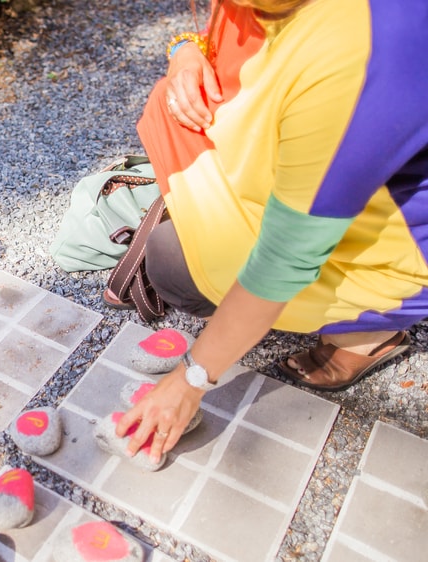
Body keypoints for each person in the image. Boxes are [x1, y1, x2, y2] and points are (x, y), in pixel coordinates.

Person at [112, 0, 428, 464]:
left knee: (175, 263)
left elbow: (283, 262)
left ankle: (369, 333)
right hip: (331, 178)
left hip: (397, 251)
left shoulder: (366, 52)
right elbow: (235, 42)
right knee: (171, 102)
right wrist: (185, 50)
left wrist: (189, 382)